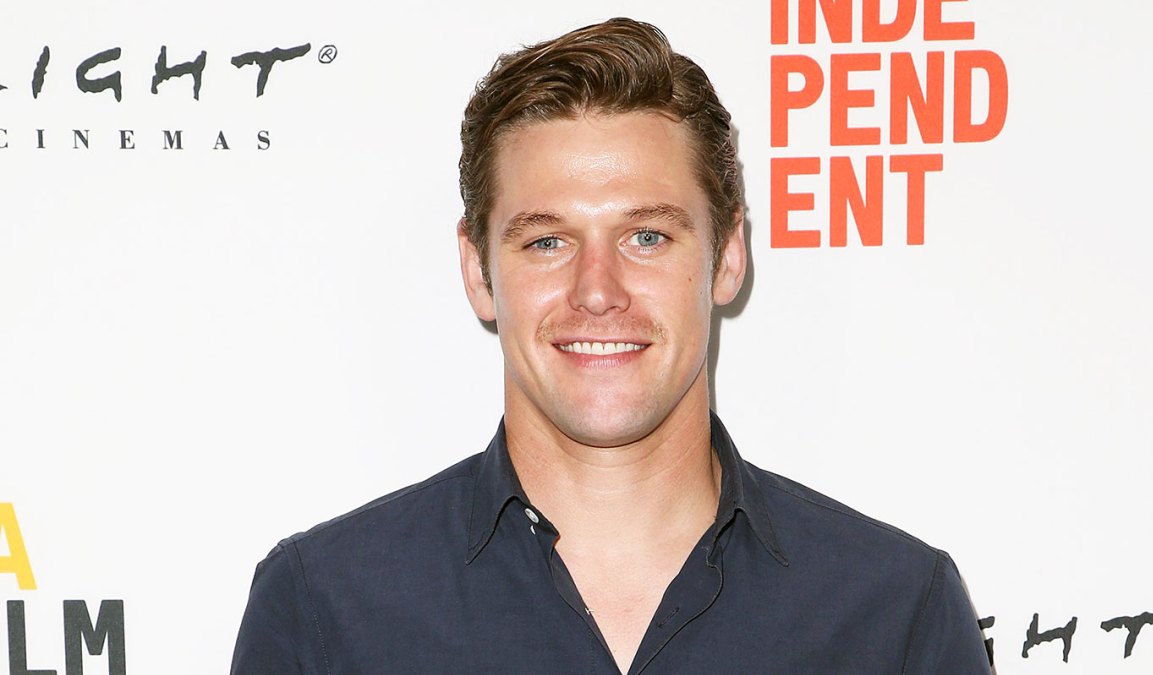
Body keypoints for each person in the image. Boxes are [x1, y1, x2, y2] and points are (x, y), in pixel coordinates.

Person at [230, 18, 991, 674]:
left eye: (647, 236)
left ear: (728, 256)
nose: (598, 290)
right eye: (548, 240)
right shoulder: (324, 608)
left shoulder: (897, 614)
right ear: (478, 271)